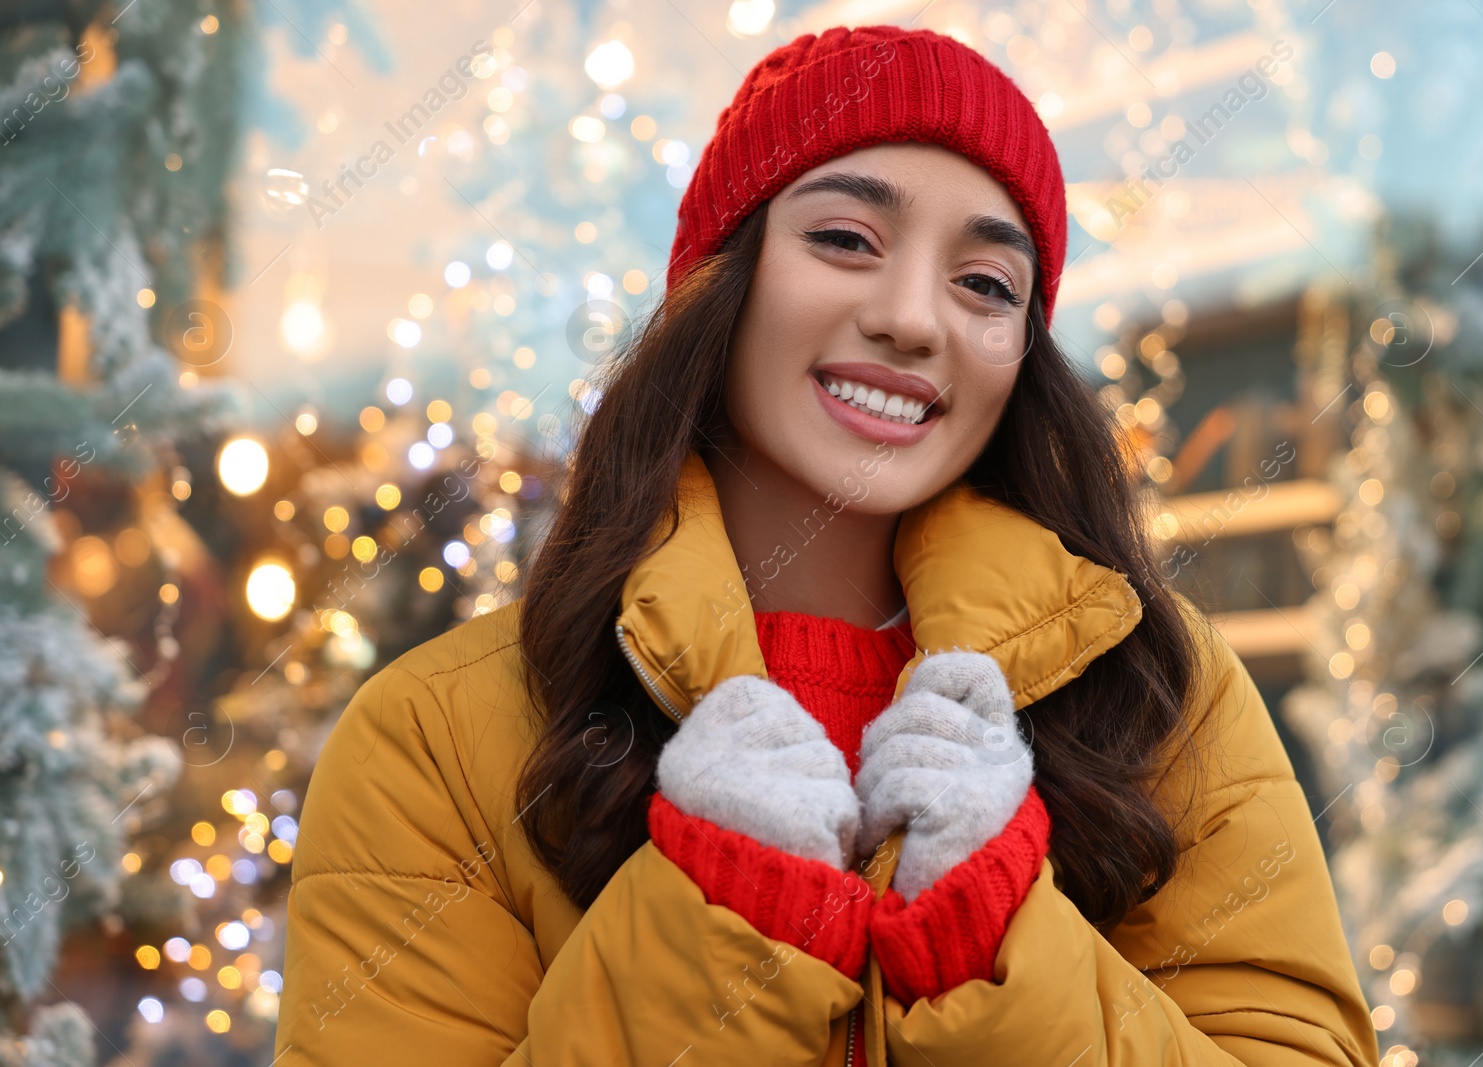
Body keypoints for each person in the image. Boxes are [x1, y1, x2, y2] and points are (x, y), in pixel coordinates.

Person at [275, 23, 1379, 1067]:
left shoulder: (1156, 690)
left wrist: (995, 940)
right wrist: (721, 918)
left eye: (984, 284)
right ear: (724, 280)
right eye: (846, 239)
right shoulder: (436, 735)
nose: (912, 316)